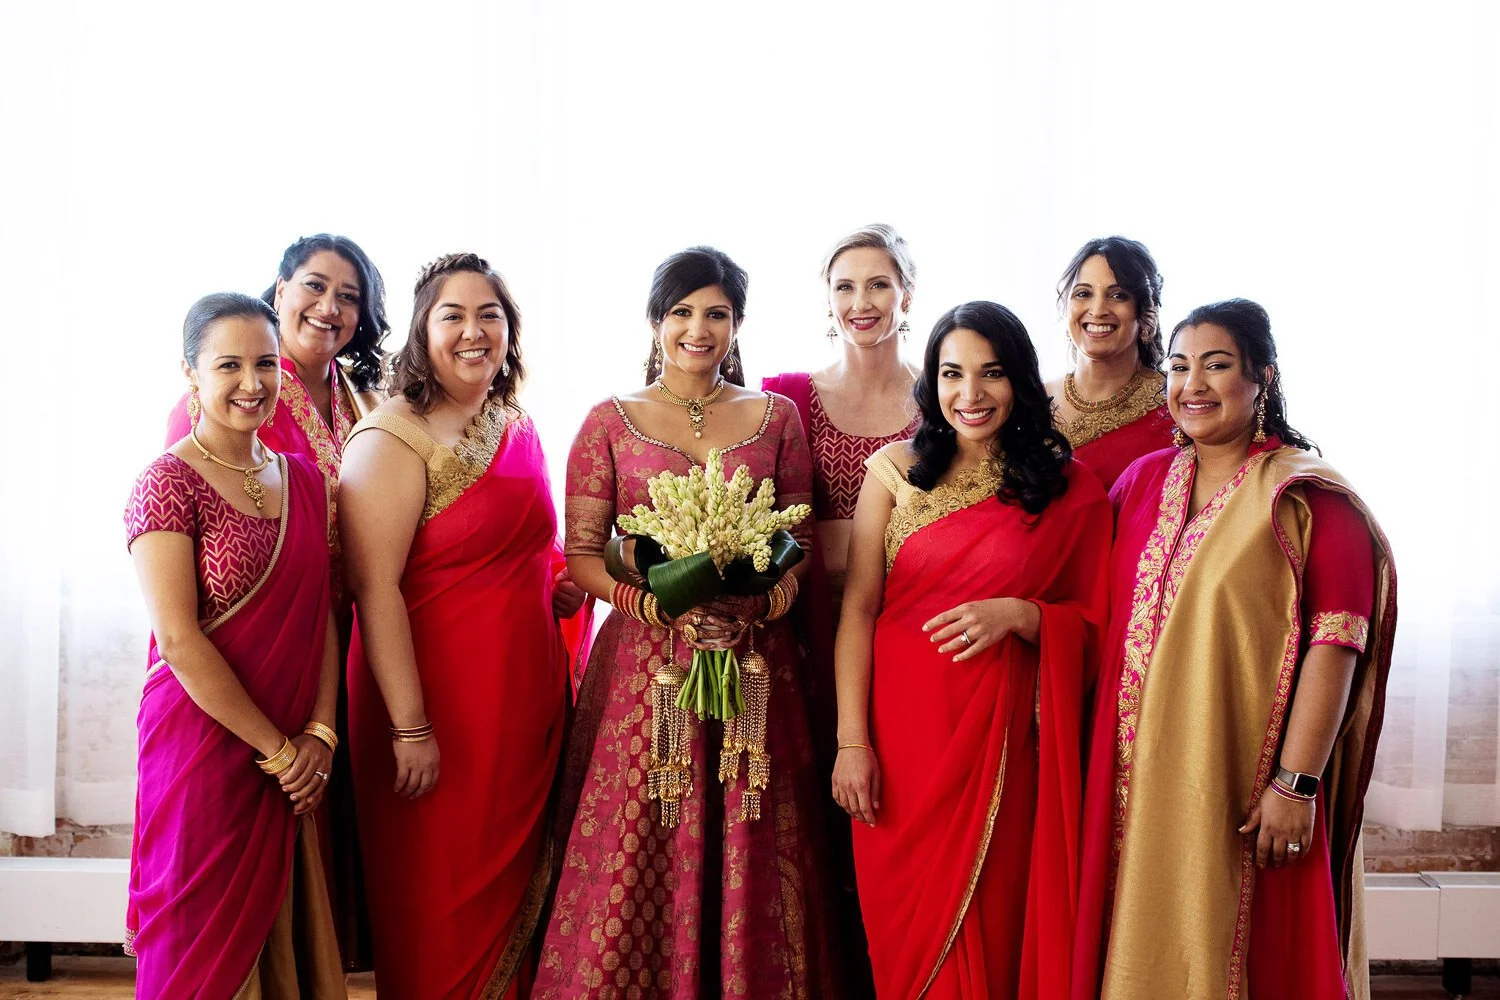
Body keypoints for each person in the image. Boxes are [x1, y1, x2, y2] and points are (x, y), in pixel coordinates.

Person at [536, 246, 839, 997]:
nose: (697, 329)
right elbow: (581, 556)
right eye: (681, 313)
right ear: (654, 321)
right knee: (637, 839)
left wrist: (758, 608)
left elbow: (798, 548)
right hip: (649, 673)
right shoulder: (609, 421)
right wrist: (655, 604)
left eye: (716, 314)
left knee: (758, 827)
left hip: (754, 665)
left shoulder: (777, 418)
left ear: (737, 325)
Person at [1071, 299, 1396, 1000]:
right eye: (1181, 367)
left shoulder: (1308, 497)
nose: (1193, 384)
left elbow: (1335, 646)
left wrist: (1295, 783)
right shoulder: (1143, 482)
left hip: (1244, 789)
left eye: (1217, 366)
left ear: (1263, 378)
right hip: (1133, 780)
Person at [833, 300, 1111, 999]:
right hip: (900, 742)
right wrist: (851, 743)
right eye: (952, 373)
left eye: (991, 374)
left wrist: (1024, 614)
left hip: (1004, 746)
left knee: (990, 921)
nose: (970, 394)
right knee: (902, 931)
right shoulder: (894, 471)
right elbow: (859, 609)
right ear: (932, 382)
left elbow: (1104, 626)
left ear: (1019, 380)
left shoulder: (1067, 490)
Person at [340, 253, 570, 999]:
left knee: (523, 898)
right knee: (437, 904)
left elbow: (538, 551)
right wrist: (410, 726)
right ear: (421, 330)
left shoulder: (515, 422)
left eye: (490, 316)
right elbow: (373, 590)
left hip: (522, 702)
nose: (475, 333)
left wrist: (575, 585)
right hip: (432, 708)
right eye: (454, 316)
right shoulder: (390, 439)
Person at [125, 292, 343, 999]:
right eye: (229, 365)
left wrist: (319, 735)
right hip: (204, 752)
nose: (252, 383)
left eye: (266, 363)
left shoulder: (304, 481)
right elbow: (181, 642)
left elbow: (321, 616)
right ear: (190, 374)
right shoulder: (166, 483)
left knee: (284, 944)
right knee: (199, 947)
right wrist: (278, 752)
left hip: (292, 761)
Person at [761, 223, 920, 995]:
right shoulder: (788, 397)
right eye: (846, 287)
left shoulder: (945, 398)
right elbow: (763, 522)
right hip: (800, 634)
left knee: (893, 812)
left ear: (907, 295)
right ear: (828, 301)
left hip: (908, 638)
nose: (862, 302)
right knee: (810, 816)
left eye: (879, 285)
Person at [1047, 237, 1174, 490]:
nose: (1097, 309)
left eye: (1118, 295)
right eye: (1083, 293)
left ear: (1146, 310)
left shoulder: (1176, 406)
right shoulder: (1032, 401)